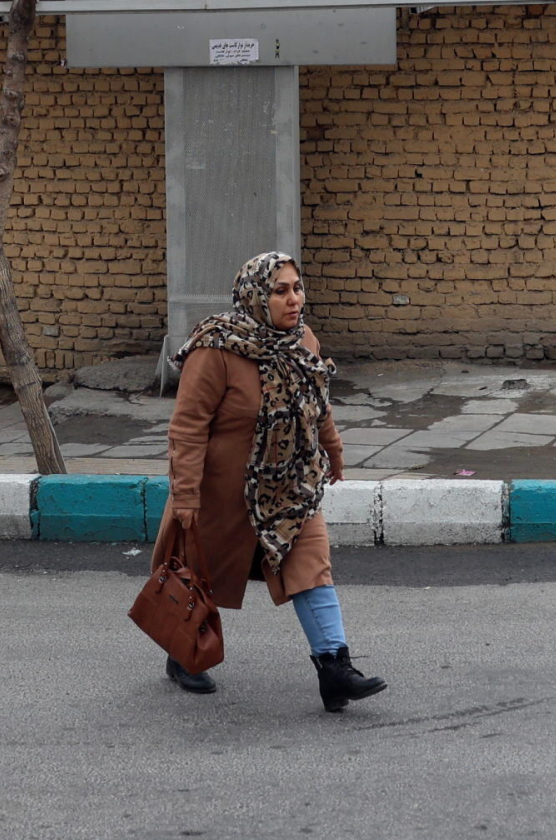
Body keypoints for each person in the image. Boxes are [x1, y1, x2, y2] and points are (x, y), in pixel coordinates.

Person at [153, 251, 386, 713]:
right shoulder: (216, 348)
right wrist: (185, 493)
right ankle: (183, 656)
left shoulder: (303, 341)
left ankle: (334, 669)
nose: (293, 299)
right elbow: (187, 427)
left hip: (290, 485)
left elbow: (316, 402)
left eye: (297, 288)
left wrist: (333, 452)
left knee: (311, 565)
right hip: (223, 493)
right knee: (201, 573)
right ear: (256, 295)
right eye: (280, 291)